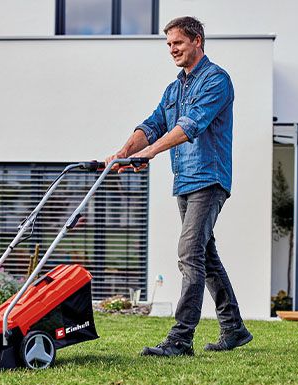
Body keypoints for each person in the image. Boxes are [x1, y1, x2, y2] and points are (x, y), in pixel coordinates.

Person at [105, 16, 252, 357]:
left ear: (197, 40)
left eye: (178, 43)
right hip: (183, 179)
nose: (172, 49)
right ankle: (234, 328)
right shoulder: (174, 89)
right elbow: (153, 123)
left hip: (209, 178)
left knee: (188, 254)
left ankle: (180, 339)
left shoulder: (216, 80)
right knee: (205, 256)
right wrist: (123, 152)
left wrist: (149, 153)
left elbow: (192, 125)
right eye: (169, 44)